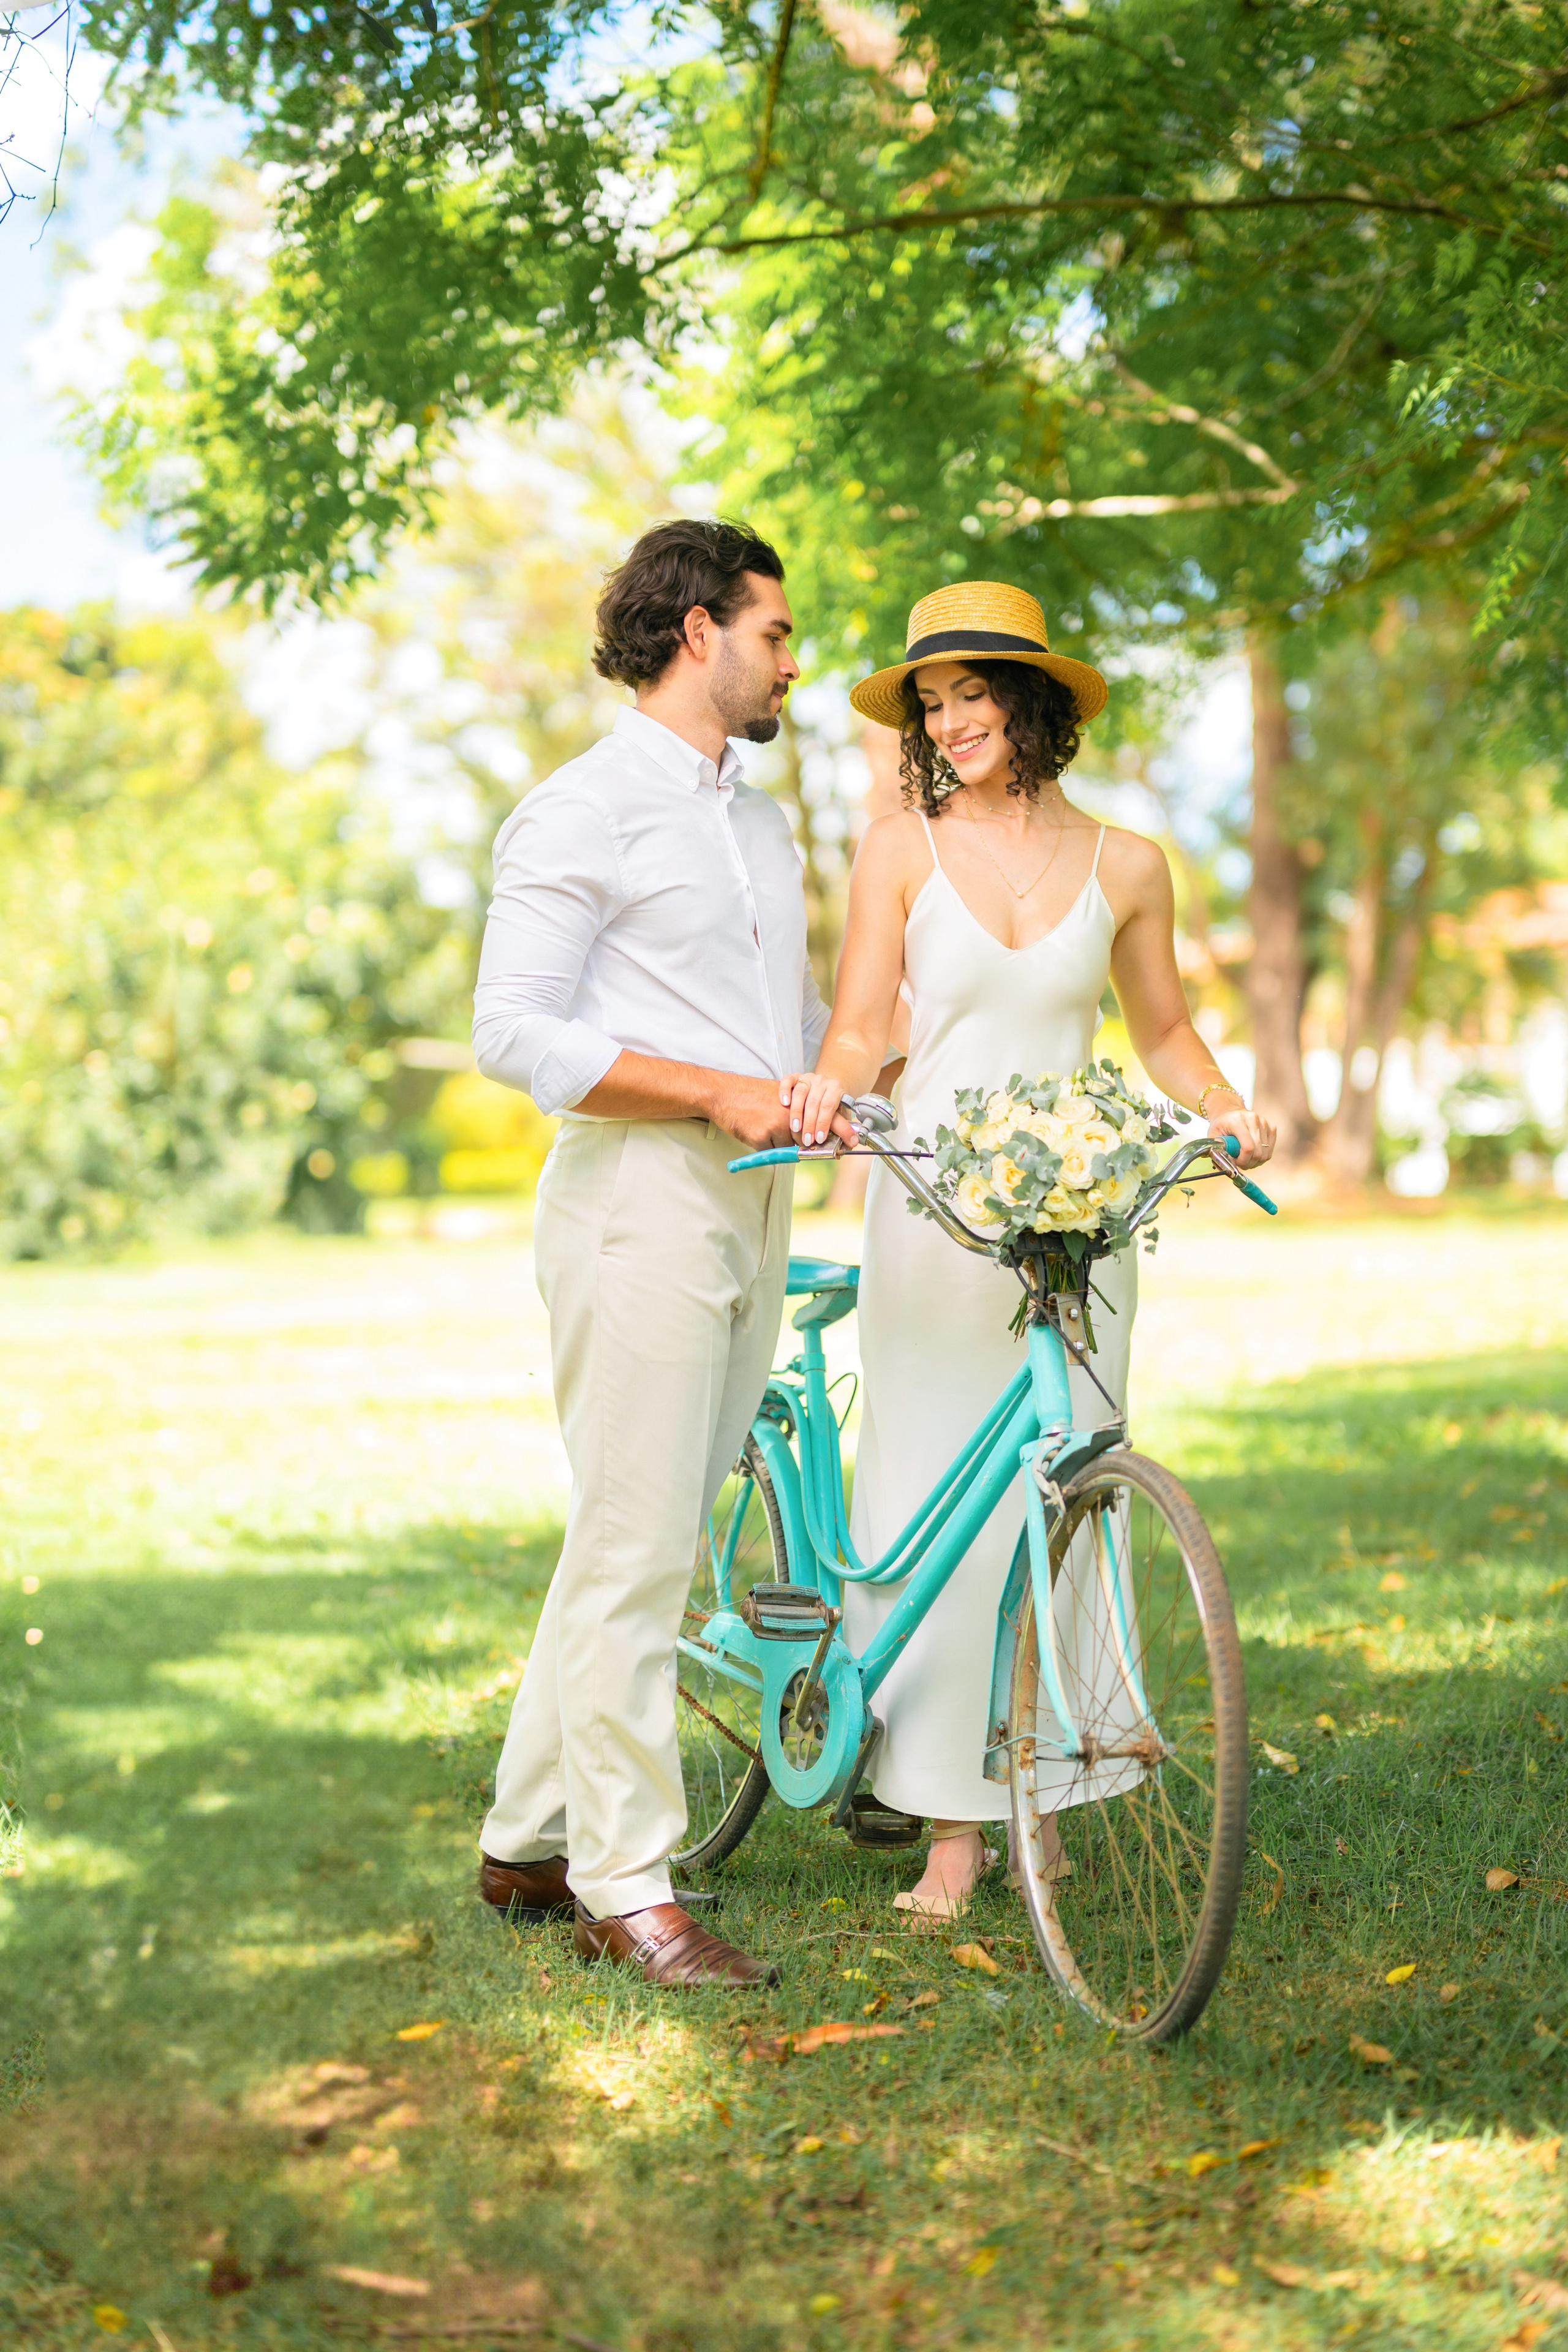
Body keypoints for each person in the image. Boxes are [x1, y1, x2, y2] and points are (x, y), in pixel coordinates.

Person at [782, 582, 1275, 1920]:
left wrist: (1221, 1110)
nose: (947, 725)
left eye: (969, 696)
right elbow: (860, 1022)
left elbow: (1163, 1033)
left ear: (1031, 699)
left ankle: (1041, 1794)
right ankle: (949, 1830)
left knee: (1057, 1503)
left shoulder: (1127, 864)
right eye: (927, 706)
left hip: (1076, 1214)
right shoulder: (898, 847)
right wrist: (830, 1090)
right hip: (936, 1208)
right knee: (934, 1495)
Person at [471, 518, 848, 1986]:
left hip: (757, 1197)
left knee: (644, 1535)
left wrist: (842, 1093)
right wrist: (709, 1091)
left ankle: (523, 1836)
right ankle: (623, 1884)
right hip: (636, 1195)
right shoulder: (579, 809)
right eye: (775, 630)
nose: (789, 660)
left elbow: (783, 1037)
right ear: (697, 631)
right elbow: (516, 1031)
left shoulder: (757, 819)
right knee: (635, 1548)